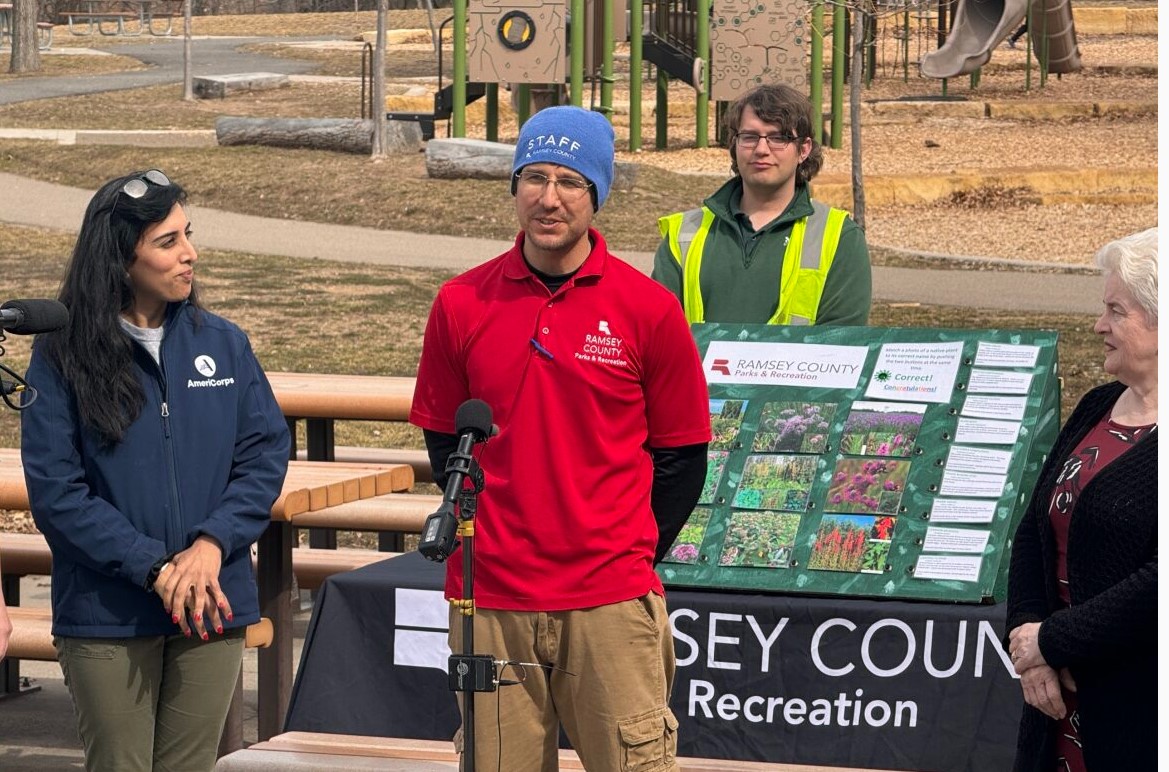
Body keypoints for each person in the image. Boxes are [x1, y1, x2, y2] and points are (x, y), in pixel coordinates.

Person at [410, 105, 711, 770]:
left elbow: (682, 459)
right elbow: (442, 441)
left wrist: (625, 555)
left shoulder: (648, 309)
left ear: (596, 194)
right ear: (514, 187)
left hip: (608, 600)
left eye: (570, 182)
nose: (549, 199)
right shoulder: (462, 303)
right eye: (533, 178)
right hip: (491, 599)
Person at [20, 169, 291, 772]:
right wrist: (155, 567)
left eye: (187, 235)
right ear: (120, 259)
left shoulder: (223, 343)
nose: (190, 253)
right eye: (167, 242)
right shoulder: (59, 355)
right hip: (106, 613)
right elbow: (58, 495)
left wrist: (211, 545)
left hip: (211, 601)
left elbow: (265, 454)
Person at [1004, 227, 1157, 771]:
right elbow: (1032, 532)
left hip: (1137, 709)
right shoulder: (1098, 405)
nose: (1098, 326)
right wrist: (1029, 644)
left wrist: (1054, 640)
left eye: (1116, 310)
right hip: (1057, 707)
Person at [652, 83, 871, 326]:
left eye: (779, 138)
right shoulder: (684, 236)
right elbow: (655, 335)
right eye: (750, 137)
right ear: (734, 145)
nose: (761, 149)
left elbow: (842, 347)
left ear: (804, 149)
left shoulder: (840, 239)